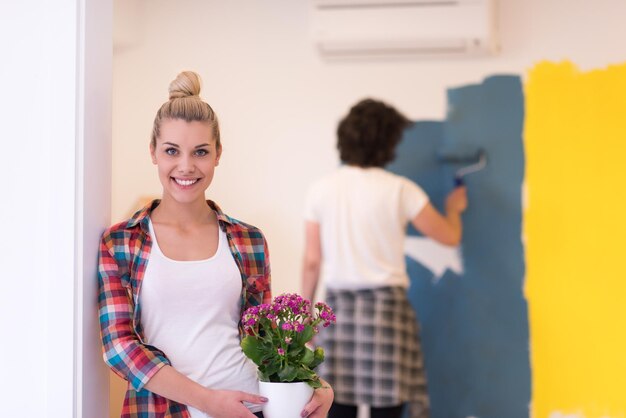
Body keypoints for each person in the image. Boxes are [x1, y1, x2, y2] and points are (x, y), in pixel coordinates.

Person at [98, 71, 333, 418]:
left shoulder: (248, 240)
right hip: (166, 410)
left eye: (201, 152)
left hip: (250, 406)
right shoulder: (121, 242)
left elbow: (263, 340)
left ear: (218, 154)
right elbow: (120, 347)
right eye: (172, 151)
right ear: (153, 152)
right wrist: (209, 401)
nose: (186, 166)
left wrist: (313, 384)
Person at [301, 98, 467, 418]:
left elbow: (312, 260)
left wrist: (306, 315)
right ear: (388, 143)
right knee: (387, 408)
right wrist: (455, 210)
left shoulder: (321, 190)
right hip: (387, 312)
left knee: (334, 402)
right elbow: (450, 236)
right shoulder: (401, 190)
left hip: (338, 312)